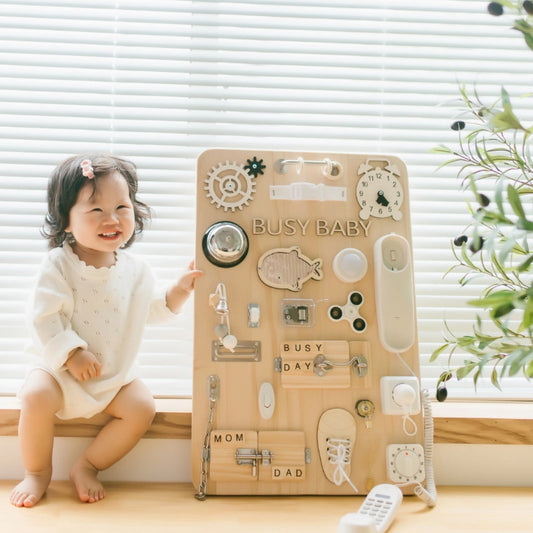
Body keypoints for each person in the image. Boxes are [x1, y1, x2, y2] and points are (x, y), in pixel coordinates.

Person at [9, 154, 203, 508]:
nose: (112, 219)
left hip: (111, 376)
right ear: (66, 221)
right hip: (60, 372)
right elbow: (44, 317)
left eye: (121, 207)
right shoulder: (58, 265)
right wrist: (72, 353)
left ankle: (88, 465)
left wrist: (179, 291)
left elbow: (149, 310)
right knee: (34, 397)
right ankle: (36, 472)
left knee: (142, 406)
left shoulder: (137, 270)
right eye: (95, 210)